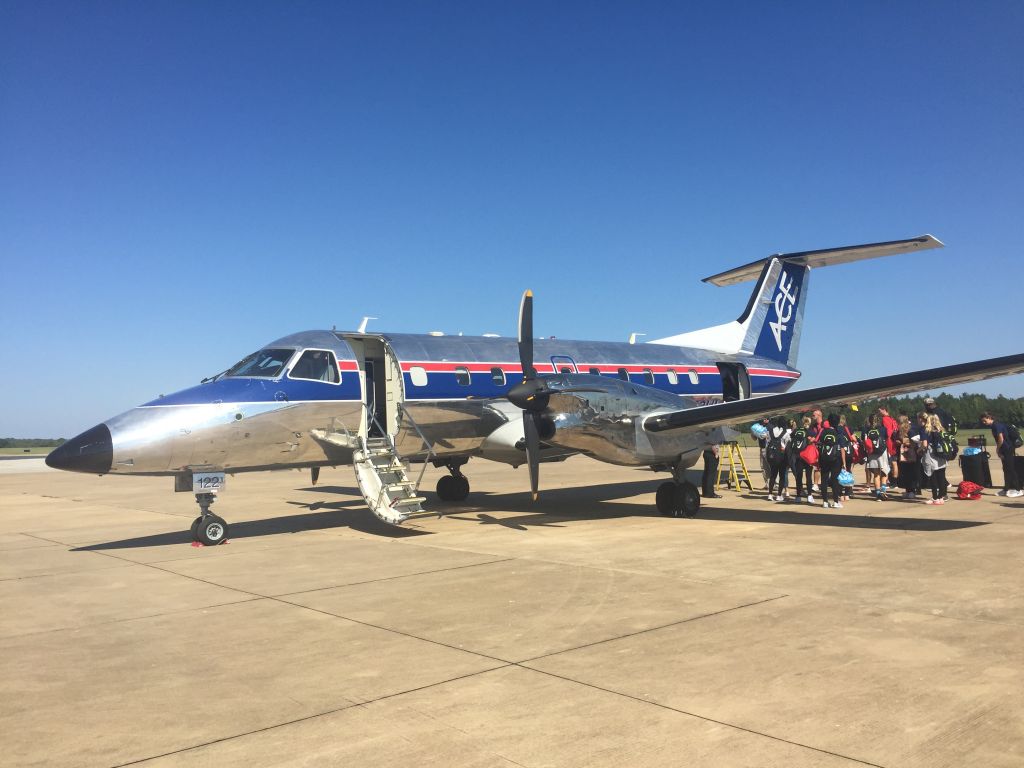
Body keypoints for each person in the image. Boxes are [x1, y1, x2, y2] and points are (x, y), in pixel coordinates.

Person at [980, 413, 1022, 497]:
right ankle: (1006, 489)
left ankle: (1018, 490)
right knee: (1006, 469)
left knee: (1010, 469)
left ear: (989, 418)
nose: (984, 423)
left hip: (1007, 449)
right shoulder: (995, 425)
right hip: (1005, 449)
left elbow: (1001, 439)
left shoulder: (996, 425)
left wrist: (997, 449)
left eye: (985, 421)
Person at [918, 412, 949, 504]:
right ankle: (941, 497)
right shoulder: (939, 429)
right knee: (941, 475)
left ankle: (935, 497)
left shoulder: (924, 429)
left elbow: (924, 444)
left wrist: (919, 450)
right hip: (941, 454)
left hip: (931, 453)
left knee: (932, 475)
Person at [817, 413, 846, 508]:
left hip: (824, 458)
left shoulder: (823, 432)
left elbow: (819, 444)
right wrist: (844, 462)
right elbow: (842, 449)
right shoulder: (839, 433)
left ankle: (825, 501)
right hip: (836, 458)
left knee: (824, 479)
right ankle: (836, 501)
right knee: (834, 480)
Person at [863, 413, 890, 500]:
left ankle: (878, 494)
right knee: (884, 472)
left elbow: (864, 440)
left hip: (872, 453)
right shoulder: (883, 429)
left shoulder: (866, 429)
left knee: (876, 474)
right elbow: (886, 438)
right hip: (882, 452)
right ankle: (883, 491)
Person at [789, 415, 815, 503]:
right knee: (808, 476)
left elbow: (791, 436)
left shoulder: (797, 430)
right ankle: (809, 495)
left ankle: (798, 496)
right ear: (809, 422)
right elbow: (812, 440)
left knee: (799, 477)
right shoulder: (810, 431)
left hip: (797, 456)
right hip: (807, 456)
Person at [764, 417, 791, 501]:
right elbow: (787, 444)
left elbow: (767, 442)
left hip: (772, 456)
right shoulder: (785, 433)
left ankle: (770, 494)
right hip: (782, 457)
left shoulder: (770, 431)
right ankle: (779, 495)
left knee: (773, 475)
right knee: (782, 476)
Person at [897, 415, 922, 499]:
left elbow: (915, 442)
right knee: (905, 472)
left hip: (912, 454)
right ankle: (908, 490)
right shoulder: (900, 431)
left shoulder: (911, 430)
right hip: (904, 453)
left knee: (912, 472)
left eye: (899, 423)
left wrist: (902, 441)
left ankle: (912, 490)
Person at [878, 406, 900, 489]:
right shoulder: (892, 419)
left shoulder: (885, 419)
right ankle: (895, 481)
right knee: (894, 462)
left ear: (884, 410)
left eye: (880, 411)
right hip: (894, 442)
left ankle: (891, 482)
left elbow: (888, 432)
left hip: (889, 443)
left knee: (890, 463)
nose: (879, 413)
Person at [837, 414, 856, 501]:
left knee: (839, 473)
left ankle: (840, 493)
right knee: (848, 472)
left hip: (839, 453)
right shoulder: (848, 429)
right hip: (848, 452)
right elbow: (854, 439)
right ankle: (847, 494)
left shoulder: (836, 429)